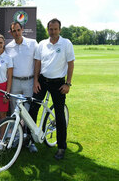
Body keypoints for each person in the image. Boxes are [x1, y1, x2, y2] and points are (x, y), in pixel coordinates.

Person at [29, 18, 75, 160]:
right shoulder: (42, 44)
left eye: (55, 29)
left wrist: (68, 84)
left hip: (58, 84)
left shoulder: (66, 43)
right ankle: (29, 141)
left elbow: (71, 63)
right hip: (42, 81)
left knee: (59, 115)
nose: (53, 31)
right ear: (48, 29)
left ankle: (61, 147)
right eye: (50, 29)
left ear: (60, 30)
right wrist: (36, 80)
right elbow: (38, 63)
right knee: (33, 110)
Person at [5, 22, 39, 152]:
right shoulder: (8, 47)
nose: (17, 33)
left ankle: (30, 141)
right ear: (11, 32)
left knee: (29, 113)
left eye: (19, 30)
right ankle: (17, 138)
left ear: (22, 30)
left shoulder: (32, 43)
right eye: (14, 31)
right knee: (16, 112)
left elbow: (37, 62)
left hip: (29, 82)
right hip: (15, 82)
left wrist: (36, 80)